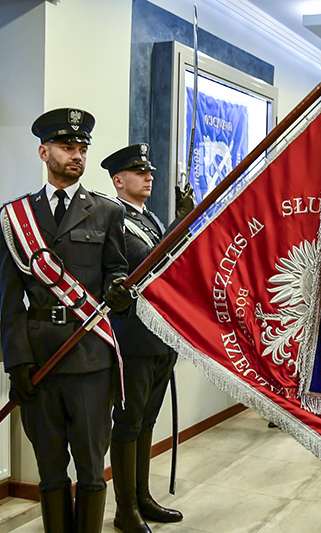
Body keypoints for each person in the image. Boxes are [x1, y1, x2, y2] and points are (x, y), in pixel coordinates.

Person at [0, 108, 131, 532]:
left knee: (92, 469)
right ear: (44, 152)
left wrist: (119, 289)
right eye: (66, 147)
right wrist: (16, 362)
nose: (76, 155)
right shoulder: (16, 217)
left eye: (82, 148)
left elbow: (117, 270)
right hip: (40, 361)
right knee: (50, 468)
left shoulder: (107, 212)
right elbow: (9, 299)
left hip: (90, 357)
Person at [104, 144, 191, 532]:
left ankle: (141, 496)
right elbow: (150, 263)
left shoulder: (151, 219)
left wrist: (180, 222)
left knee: (146, 421)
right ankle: (126, 508)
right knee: (128, 422)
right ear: (119, 180)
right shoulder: (114, 219)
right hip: (133, 338)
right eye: (139, 173)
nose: (149, 177)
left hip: (159, 337)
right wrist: (183, 223)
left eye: (150, 171)